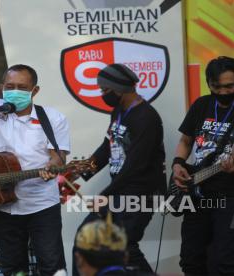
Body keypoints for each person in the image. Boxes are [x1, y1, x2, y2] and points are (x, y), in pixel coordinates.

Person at [0, 53, 70, 275]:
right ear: (1, 87)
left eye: (22, 87)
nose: (15, 90)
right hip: (4, 205)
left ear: (35, 91)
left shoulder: (53, 118)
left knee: (51, 265)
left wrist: (52, 165)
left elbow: (58, 157)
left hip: (42, 205)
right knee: (11, 268)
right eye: (10, 86)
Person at [72, 63, 166, 275]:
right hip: (119, 192)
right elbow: (107, 148)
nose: (102, 94)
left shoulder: (146, 118)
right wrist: (79, 172)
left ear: (120, 89)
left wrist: (105, 195)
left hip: (139, 194)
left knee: (125, 247)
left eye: (105, 90)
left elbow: (135, 166)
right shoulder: (119, 111)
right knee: (84, 238)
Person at [172, 56, 234, 275]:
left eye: (230, 86)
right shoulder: (201, 105)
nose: (224, 92)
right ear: (208, 83)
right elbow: (185, 142)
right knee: (190, 260)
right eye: (217, 87)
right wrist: (178, 165)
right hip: (196, 192)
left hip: (230, 196)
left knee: (227, 261)